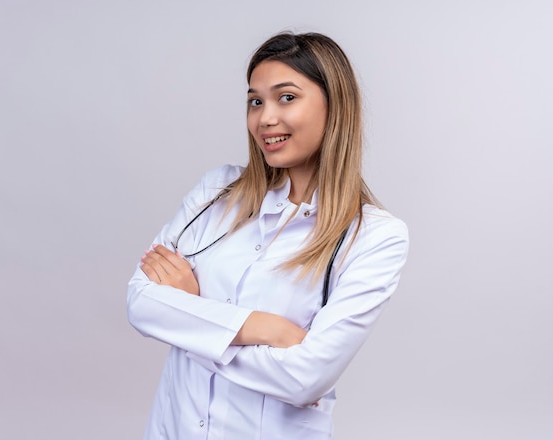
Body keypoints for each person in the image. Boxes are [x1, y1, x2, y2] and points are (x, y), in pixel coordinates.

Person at [127, 31, 409, 439]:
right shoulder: (216, 193)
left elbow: (304, 380)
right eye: (255, 101)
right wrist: (260, 328)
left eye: (287, 97)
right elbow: (141, 301)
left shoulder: (374, 237)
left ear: (336, 107)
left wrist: (190, 314)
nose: (265, 118)